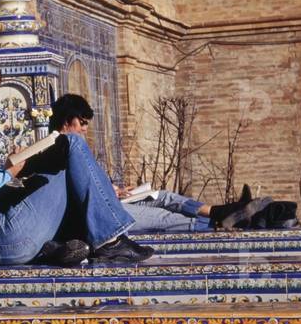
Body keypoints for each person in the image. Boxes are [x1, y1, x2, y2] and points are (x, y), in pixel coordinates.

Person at [0, 52, 152, 265]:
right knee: (72, 143)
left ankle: (58, 246)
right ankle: (109, 241)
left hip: (1, 235)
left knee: (62, 168)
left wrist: (12, 168)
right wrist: (7, 174)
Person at [48, 94, 275, 232]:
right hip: (99, 215)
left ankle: (222, 211)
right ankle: (226, 223)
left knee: (164, 196)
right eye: (83, 122)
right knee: (167, 218)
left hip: (110, 203)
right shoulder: (56, 150)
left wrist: (114, 190)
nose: (85, 129)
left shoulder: (73, 148)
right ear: (68, 121)